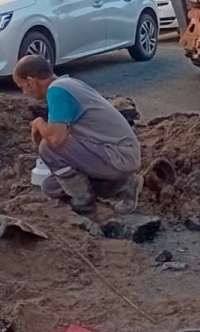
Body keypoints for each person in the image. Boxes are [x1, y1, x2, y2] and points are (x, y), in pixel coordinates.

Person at [12, 55, 143, 216]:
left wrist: (39, 123)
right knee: (51, 187)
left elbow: (55, 139)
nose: (24, 93)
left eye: (22, 87)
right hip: (118, 153)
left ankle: (84, 207)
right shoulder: (68, 83)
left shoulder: (57, 91)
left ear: (31, 81)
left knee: (48, 147)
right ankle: (126, 185)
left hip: (119, 155)